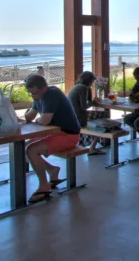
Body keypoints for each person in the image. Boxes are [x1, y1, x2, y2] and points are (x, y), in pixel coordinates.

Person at [24, 74, 82, 203]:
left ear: (42, 88)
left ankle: (44, 186)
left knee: (31, 150)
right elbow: (30, 116)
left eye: (34, 93)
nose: (33, 96)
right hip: (55, 133)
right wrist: (31, 112)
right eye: (31, 94)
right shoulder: (39, 96)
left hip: (69, 135)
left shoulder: (52, 94)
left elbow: (44, 120)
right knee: (24, 147)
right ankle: (51, 169)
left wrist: (37, 118)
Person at [67, 71, 106, 155]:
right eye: (93, 81)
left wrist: (92, 100)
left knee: (98, 117)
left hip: (72, 117)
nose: (93, 83)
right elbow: (84, 106)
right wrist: (93, 102)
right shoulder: (83, 88)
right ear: (90, 80)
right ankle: (92, 147)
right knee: (101, 119)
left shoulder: (78, 87)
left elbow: (85, 103)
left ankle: (89, 143)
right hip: (78, 118)